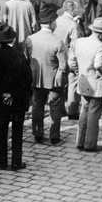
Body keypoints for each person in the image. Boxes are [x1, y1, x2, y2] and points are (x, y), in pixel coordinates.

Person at [0, 25, 31, 171]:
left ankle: (2, 162)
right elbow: (27, 79)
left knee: (1, 131)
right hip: (17, 101)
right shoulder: (19, 56)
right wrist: (12, 94)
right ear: (13, 39)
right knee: (17, 131)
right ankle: (16, 162)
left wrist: (1, 94)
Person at [24, 10, 67, 144]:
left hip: (36, 78)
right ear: (51, 23)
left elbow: (27, 59)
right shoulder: (58, 41)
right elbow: (64, 65)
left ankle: (38, 133)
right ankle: (54, 136)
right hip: (54, 79)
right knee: (55, 106)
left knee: (37, 106)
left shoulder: (30, 39)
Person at [70, 17, 102, 152]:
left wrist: (79, 71)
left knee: (84, 111)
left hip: (83, 80)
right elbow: (99, 64)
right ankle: (90, 143)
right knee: (94, 114)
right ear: (101, 33)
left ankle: (80, 141)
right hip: (96, 83)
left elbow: (72, 61)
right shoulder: (100, 47)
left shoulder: (79, 42)